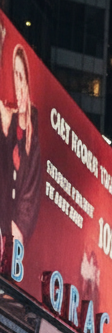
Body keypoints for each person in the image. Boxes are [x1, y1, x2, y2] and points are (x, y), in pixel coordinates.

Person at [0, 33, 43, 257]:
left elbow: (31, 197)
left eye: (21, 76)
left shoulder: (33, 138)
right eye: (14, 76)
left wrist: (16, 234)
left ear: (27, 80)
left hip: (14, 241)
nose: (18, 84)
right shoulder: (9, 124)